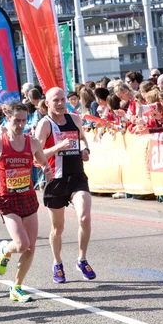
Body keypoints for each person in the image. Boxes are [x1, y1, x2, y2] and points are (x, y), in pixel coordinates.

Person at [0, 103, 53, 302]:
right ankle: (5, 250)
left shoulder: (33, 142)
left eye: (23, 120)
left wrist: (47, 170)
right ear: (8, 119)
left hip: (28, 197)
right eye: (16, 121)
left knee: (31, 248)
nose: (20, 125)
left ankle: (16, 287)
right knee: (21, 244)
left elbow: (43, 162)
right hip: (7, 199)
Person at [35, 88, 96, 284]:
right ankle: (57, 262)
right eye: (56, 101)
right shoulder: (45, 125)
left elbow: (83, 140)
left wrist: (85, 150)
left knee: (85, 217)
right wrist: (57, 147)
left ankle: (82, 258)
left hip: (77, 176)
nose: (60, 104)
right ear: (47, 103)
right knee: (57, 229)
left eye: (63, 100)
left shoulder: (75, 119)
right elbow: (37, 155)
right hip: (56, 180)